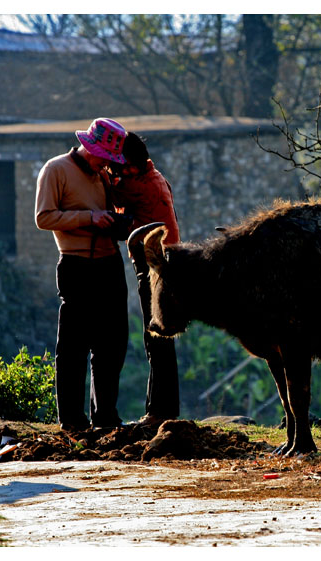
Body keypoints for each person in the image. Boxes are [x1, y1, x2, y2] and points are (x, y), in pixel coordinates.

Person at [35, 117, 129, 431]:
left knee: (112, 345)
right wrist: (89, 218)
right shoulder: (56, 170)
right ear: (90, 148)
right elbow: (44, 217)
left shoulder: (104, 176)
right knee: (73, 347)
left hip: (109, 265)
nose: (106, 164)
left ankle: (106, 418)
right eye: (104, 158)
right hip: (76, 266)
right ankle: (72, 421)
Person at [108, 132, 182, 425]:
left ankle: (159, 413)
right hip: (165, 264)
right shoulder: (154, 175)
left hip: (156, 267)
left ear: (129, 165)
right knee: (159, 338)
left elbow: (104, 193)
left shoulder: (137, 186)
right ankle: (162, 410)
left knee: (157, 339)